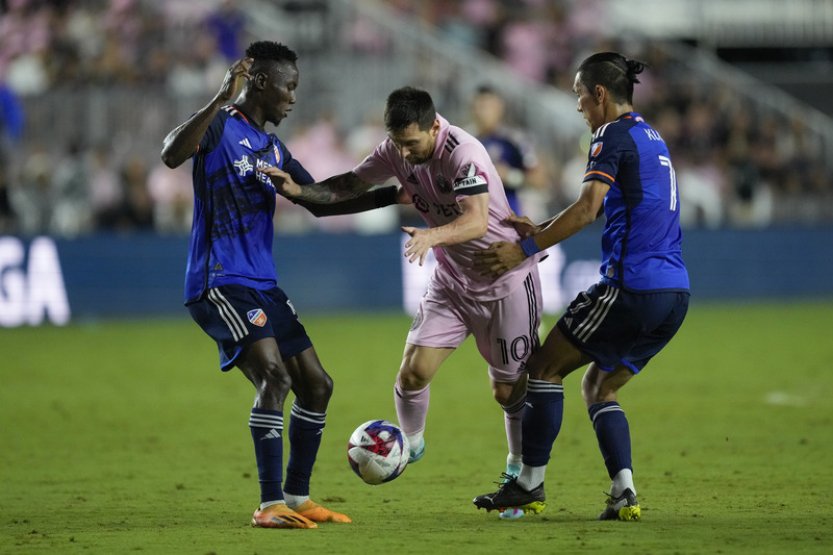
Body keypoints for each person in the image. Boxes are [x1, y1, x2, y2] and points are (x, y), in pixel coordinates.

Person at [263, 87, 544, 519]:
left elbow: (476, 219)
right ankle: (409, 445)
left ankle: (519, 474)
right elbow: (352, 185)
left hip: (503, 278)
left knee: (507, 390)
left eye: (411, 144)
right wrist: (300, 191)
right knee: (412, 373)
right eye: (397, 143)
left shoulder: (462, 153)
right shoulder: (395, 150)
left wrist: (431, 235)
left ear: (434, 126)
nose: (404, 154)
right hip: (453, 281)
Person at [160, 40, 402, 530]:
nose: (294, 97)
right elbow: (171, 154)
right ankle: (269, 504)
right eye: (289, 87)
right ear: (262, 83)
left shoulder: (273, 148)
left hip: (262, 283)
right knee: (276, 377)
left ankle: (297, 496)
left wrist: (396, 196)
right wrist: (218, 97)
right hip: (219, 280)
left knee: (317, 385)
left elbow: (321, 199)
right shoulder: (220, 126)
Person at [471, 52, 690, 521]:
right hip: (674, 295)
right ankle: (623, 491)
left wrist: (523, 250)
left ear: (600, 95)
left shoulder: (610, 133)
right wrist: (540, 229)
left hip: (631, 287)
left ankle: (528, 483)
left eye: (579, 96)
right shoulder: (651, 136)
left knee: (544, 367)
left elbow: (588, 208)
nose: (578, 107)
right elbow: (596, 207)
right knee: (600, 387)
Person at [469, 84, 544, 216]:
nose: (482, 112)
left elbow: (539, 180)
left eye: (487, 107)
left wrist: (510, 176)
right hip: (476, 217)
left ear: (499, 108)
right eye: (479, 107)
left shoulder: (515, 140)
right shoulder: (465, 140)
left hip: (512, 217)